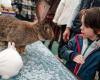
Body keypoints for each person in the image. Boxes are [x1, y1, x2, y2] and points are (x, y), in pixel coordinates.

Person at [59, 7, 100, 80]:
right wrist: (72, 55)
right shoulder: (77, 39)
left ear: (98, 30)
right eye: (82, 24)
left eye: (85, 25)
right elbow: (63, 50)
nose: (81, 27)